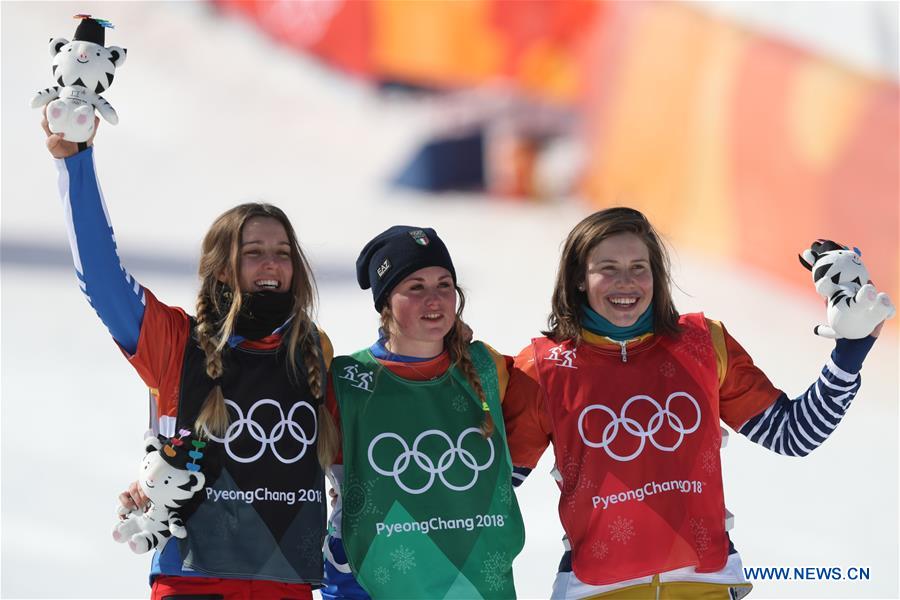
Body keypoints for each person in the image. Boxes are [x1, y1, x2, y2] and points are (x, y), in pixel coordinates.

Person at [503, 207, 883, 599]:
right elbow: (488, 485)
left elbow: (794, 435)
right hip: (595, 589)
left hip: (707, 584)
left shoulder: (703, 343)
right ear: (579, 279)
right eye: (608, 268)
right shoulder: (542, 369)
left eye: (639, 267)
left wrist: (850, 352)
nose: (626, 282)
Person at [43, 115, 337, 600]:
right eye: (254, 252)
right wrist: (75, 164)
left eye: (283, 253)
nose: (272, 264)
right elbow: (101, 277)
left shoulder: (313, 350)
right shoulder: (177, 342)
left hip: (285, 583)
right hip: (193, 581)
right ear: (222, 270)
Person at [321, 226, 526, 599]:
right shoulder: (348, 381)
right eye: (415, 287)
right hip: (371, 583)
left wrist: (496, 489)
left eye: (444, 285)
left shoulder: (487, 367)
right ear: (385, 302)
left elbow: (538, 417)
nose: (434, 299)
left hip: (473, 583)